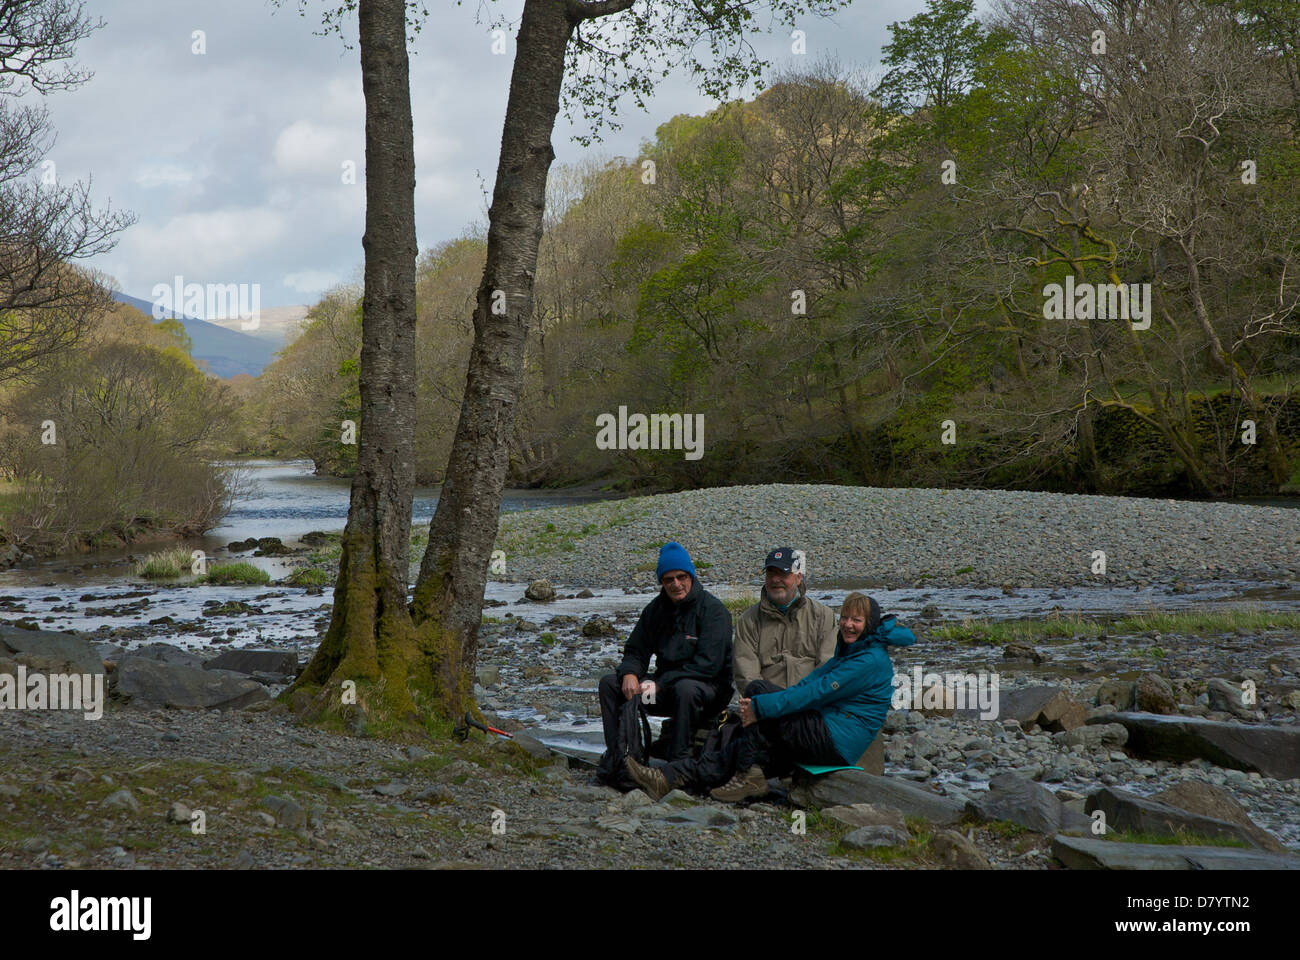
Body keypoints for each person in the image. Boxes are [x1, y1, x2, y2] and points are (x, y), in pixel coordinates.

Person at [625, 591, 915, 802]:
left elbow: (818, 692)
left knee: (757, 691)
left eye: (858, 620)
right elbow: (814, 680)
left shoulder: (868, 661)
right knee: (743, 751)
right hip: (825, 729)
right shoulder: (854, 650)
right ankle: (671, 779)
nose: (849, 625)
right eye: (847, 618)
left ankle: (739, 774)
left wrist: (763, 707)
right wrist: (769, 708)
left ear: (871, 625)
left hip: (835, 740)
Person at [597, 541, 733, 765]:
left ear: (691, 577)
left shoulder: (713, 611)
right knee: (610, 684)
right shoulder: (655, 610)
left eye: (681, 577)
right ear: (662, 582)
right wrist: (630, 674)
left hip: (708, 693)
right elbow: (636, 650)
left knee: (686, 688)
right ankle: (620, 755)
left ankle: (679, 763)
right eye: (669, 579)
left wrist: (661, 683)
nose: (676, 584)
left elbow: (708, 665)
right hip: (664, 693)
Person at [733, 546, 838, 693]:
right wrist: (772, 704)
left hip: (810, 701)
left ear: (798, 578)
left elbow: (828, 667)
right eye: (771, 573)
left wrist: (802, 700)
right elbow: (746, 675)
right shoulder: (748, 620)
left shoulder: (823, 616)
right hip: (767, 704)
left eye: (783, 573)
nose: (776, 580)